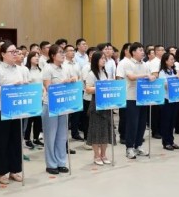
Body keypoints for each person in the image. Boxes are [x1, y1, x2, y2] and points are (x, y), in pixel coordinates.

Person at [0, 41, 29, 184]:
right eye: (12, 52)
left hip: (17, 109)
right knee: (1, 142)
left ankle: (14, 170)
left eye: (16, 51)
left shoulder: (20, 69)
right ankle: (1, 172)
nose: (15, 54)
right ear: (3, 54)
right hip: (1, 110)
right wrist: (11, 87)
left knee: (15, 141)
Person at [42, 44, 77, 174]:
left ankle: (61, 162)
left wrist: (72, 80)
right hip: (50, 105)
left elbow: (74, 79)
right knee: (50, 136)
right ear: (52, 55)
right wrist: (63, 83)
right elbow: (48, 88)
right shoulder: (47, 68)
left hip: (63, 105)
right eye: (60, 52)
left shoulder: (66, 67)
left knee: (62, 136)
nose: (63, 54)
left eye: (63, 52)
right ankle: (51, 164)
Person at [123, 42, 155, 158]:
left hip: (143, 97)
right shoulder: (127, 63)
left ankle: (138, 146)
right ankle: (129, 148)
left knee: (142, 123)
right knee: (132, 123)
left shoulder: (145, 64)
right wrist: (145, 76)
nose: (142, 52)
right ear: (133, 52)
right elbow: (131, 77)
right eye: (140, 50)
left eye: (142, 50)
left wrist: (152, 77)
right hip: (131, 97)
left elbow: (150, 76)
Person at [84, 51, 113, 164]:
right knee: (96, 130)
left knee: (105, 130)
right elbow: (88, 89)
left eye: (104, 58)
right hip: (96, 104)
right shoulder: (91, 74)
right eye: (101, 58)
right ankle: (96, 155)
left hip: (106, 103)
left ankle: (104, 154)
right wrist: (101, 88)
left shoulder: (105, 73)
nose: (104, 60)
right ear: (96, 60)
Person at [157, 52, 179, 150]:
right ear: (165, 61)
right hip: (166, 99)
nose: (173, 61)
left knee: (172, 121)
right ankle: (166, 142)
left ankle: (171, 140)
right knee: (166, 121)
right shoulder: (162, 72)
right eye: (171, 59)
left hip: (174, 98)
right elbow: (165, 85)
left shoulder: (174, 71)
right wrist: (175, 79)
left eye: (173, 59)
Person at [24, 51, 43, 149]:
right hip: (30, 98)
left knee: (38, 120)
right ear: (29, 58)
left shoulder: (40, 70)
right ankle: (27, 139)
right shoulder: (26, 70)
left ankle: (36, 138)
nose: (37, 58)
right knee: (29, 120)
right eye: (35, 56)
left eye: (38, 56)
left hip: (40, 98)